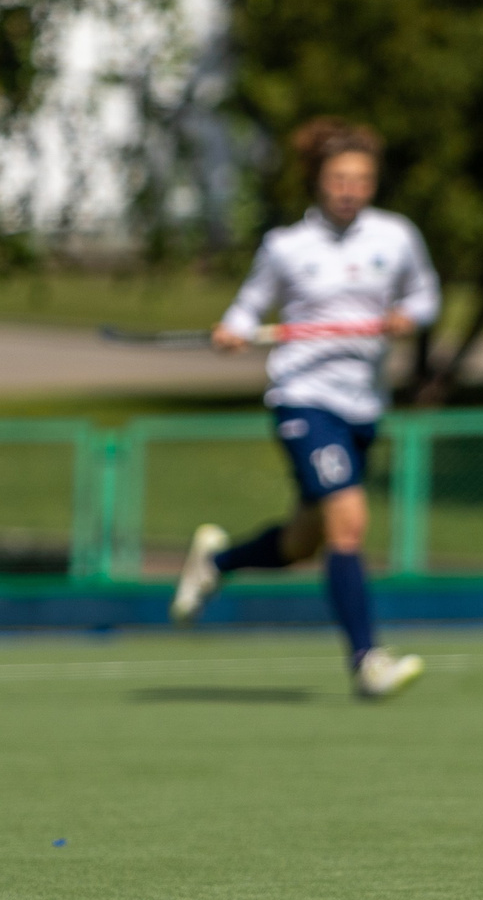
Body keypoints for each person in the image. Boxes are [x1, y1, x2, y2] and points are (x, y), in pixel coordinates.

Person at [168, 118, 436, 699]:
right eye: (339, 178)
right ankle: (368, 660)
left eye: (361, 179)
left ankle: (218, 562)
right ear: (318, 180)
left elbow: (425, 296)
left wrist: (406, 318)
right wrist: (234, 331)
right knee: (350, 522)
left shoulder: (396, 238)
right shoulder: (286, 247)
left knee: (302, 543)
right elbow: (249, 307)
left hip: (362, 404)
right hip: (303, 399)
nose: (349, 189)